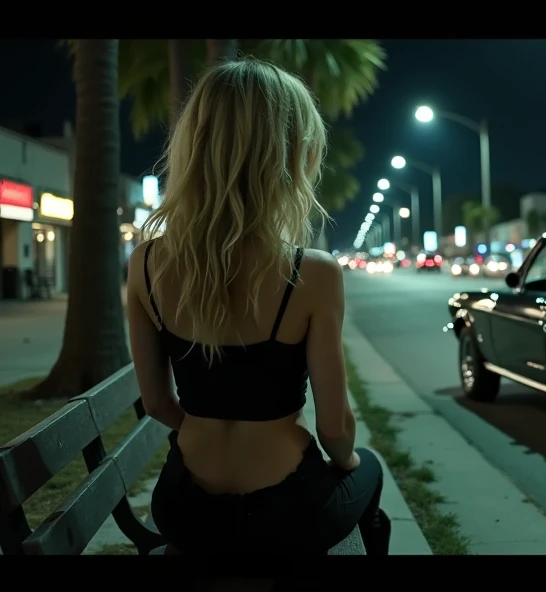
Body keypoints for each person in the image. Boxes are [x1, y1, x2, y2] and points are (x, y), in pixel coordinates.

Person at [125, 59, 390, 555]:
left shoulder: (145, 264)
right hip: (286, 512)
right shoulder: (312, 272)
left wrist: (211, 425)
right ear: (290, 155)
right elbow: (335, 430)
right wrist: (348, 462)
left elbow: (159, 403)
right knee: (368, 473)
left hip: (184, 509)